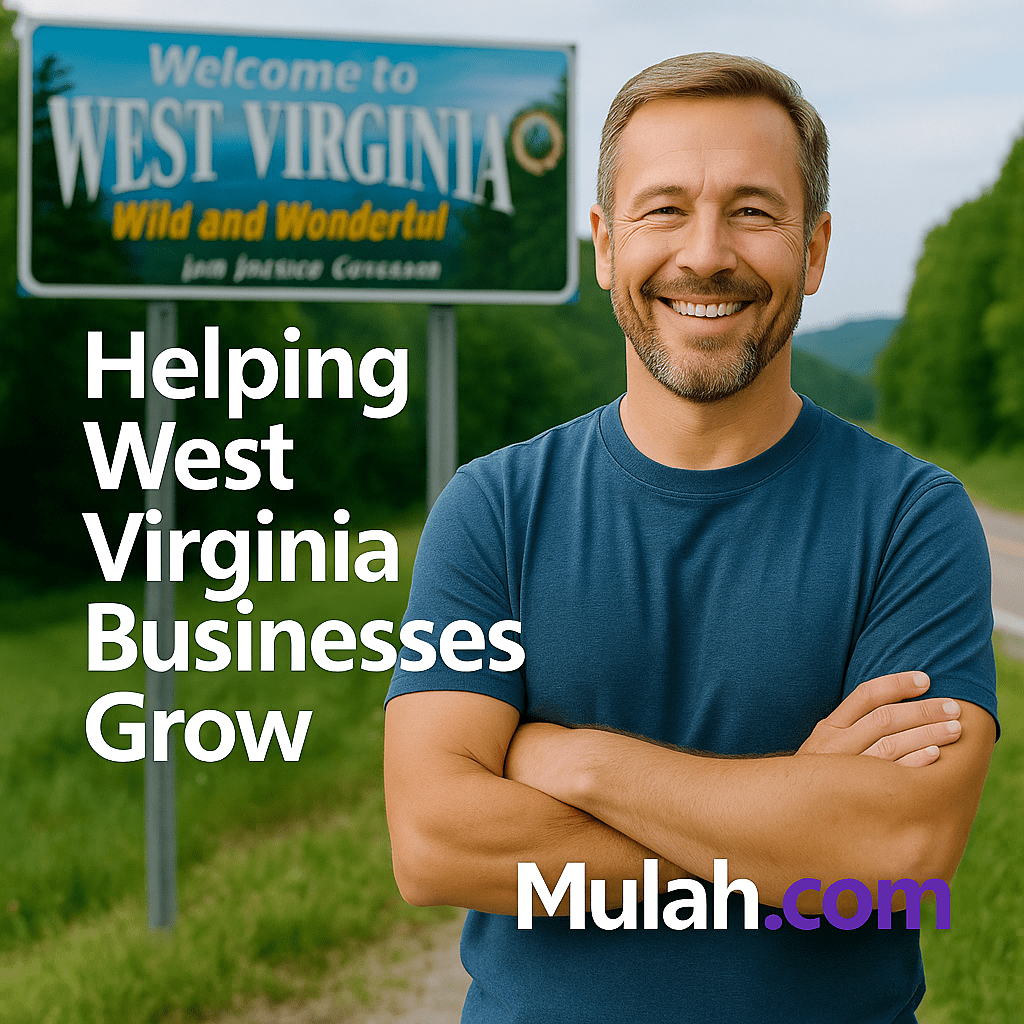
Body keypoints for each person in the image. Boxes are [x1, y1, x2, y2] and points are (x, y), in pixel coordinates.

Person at [383, 52, 998, 1023]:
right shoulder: (493, 509)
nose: (704, 252)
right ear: (601, 242)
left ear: (815, 246)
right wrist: (792, 828)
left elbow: (898, 852)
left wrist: (577, 763)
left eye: (752, 210)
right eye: (663, 208)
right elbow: (435, 844)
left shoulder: (910, 519)